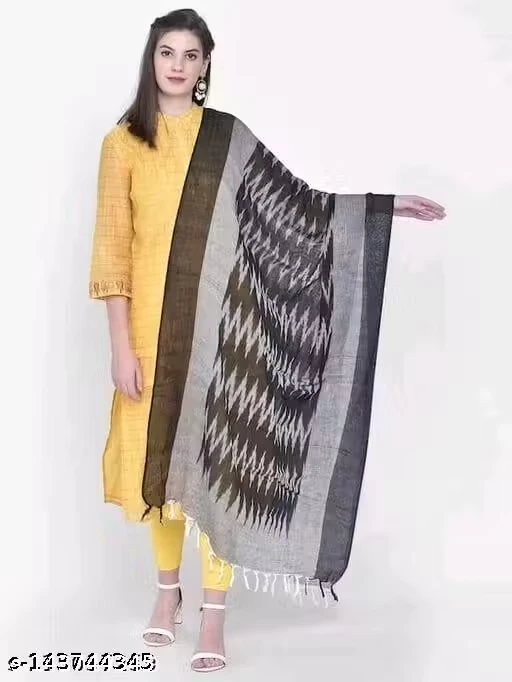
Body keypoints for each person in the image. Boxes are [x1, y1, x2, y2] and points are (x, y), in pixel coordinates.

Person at [88, 8, 446, 674]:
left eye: (190, 55)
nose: (177, 65)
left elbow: (298, 209)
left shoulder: (224, 138)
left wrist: (381, 209)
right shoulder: (123, 143)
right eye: (167, 52)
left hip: (226, 333)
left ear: (205, 66)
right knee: (159, 470)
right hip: (149, 333)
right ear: (151, 59)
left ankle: (213, 616)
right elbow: (112, 252)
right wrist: (119, 347)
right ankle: (167, 595)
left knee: (217, 469)